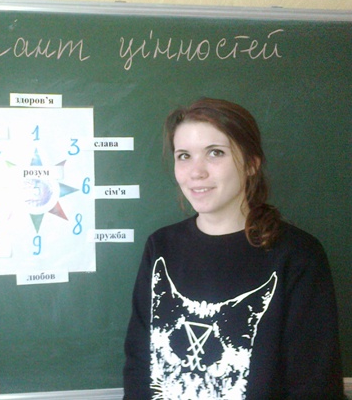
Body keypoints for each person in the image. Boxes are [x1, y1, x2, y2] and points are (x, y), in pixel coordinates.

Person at [123, 98, 344, 399]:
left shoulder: (297, 255)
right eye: (184, 156)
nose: (196, 172)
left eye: (215, 153)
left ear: (251, 164)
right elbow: (139, 363)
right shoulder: (160, 246)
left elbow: (314, 383)